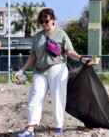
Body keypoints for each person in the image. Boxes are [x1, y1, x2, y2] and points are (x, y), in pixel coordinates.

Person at [15, 8, 91, 137]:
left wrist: (82, 59)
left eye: (47, 21)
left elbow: (70, 52)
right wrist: (22, 70)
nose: (44, 24)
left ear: (53, 20)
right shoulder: (38, 36)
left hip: (57, 69)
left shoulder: (61, 34)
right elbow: (33, 56)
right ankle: (30, 128)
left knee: (57, 98)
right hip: (39, 70)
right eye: (42, 22)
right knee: (35, 96)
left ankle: (59, 126)